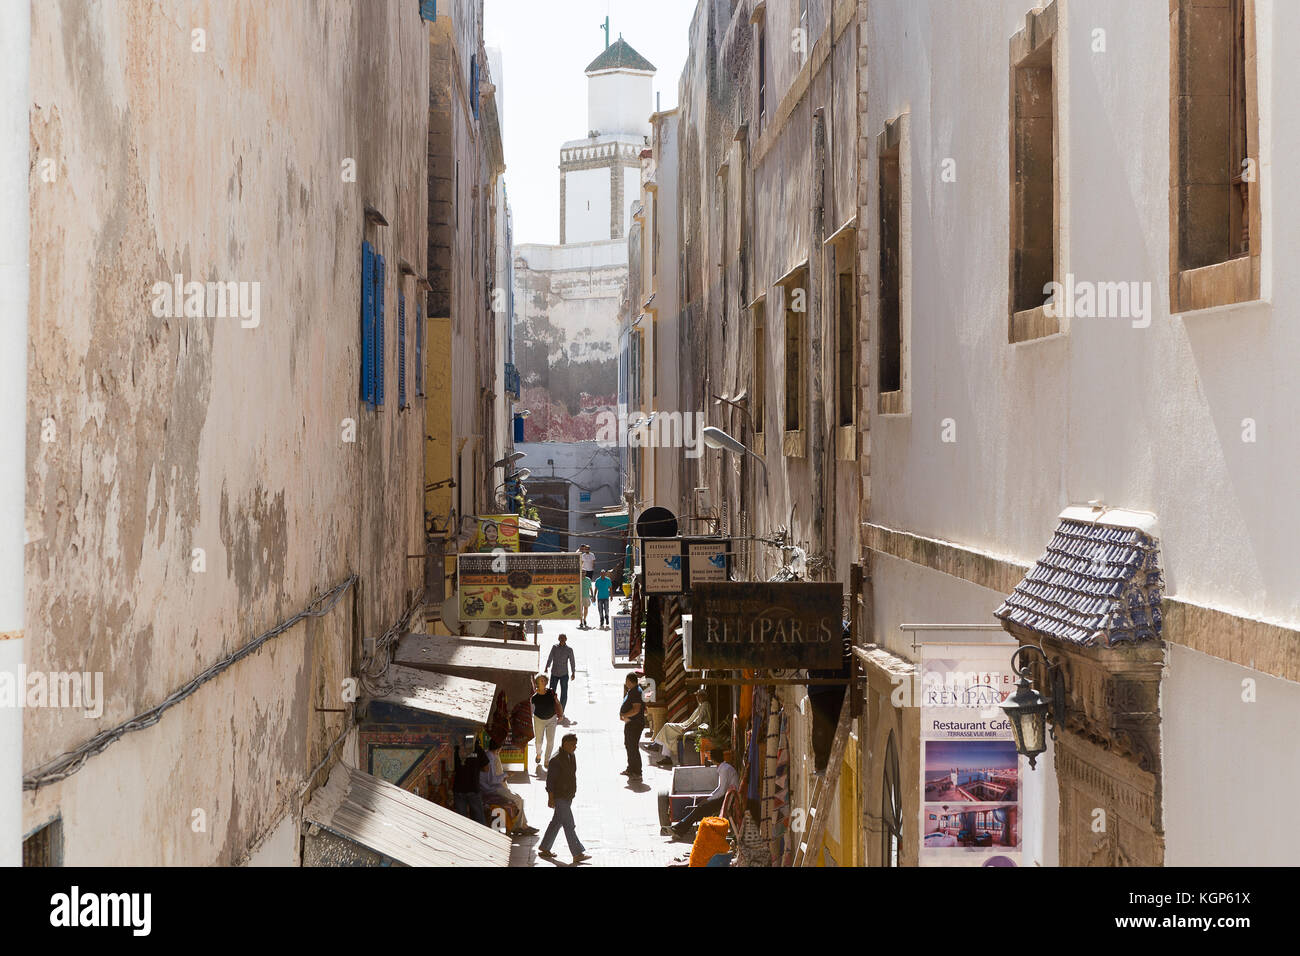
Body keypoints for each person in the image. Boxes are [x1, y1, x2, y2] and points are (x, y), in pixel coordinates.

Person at [538, 733, 590, 863]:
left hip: (568, 795)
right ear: (565, 743)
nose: (575, 747)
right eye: (572, 744)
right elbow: (550, 782)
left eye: (575, 745)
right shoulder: (556, 760)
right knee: (569, 824)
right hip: (560, 796)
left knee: (557, 822)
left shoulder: (571, 756)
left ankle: (545, 847)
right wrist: (551, 798)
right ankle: (577, 853)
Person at [670, 749, 740, 839]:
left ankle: (679, 828)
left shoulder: (724, 769)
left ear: (713, 759)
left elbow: (722, 790)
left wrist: (708, 800)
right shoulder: (723, 767)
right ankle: (679, 828)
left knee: (700, 809)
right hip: (726, 796)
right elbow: (719, 788)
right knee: (699, 809)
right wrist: (709, 797)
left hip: (729, 798)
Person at [480, 738, 537, 835]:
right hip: (492, 789)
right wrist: (506, 775)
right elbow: (492, 780)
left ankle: (523, 824)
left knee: (518, 798)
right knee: (518, 800)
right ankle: (518, 826)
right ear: (499, 748)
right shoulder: (490, 758)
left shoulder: (489, 755)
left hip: (491, 787)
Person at [653, 688, 711, 768]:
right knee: (668, 732)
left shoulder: (705, 705)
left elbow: (698, 720)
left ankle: (657, 745)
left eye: (699, 696)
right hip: (687, 725)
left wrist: (687, 728)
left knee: (667, 726)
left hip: (693, 728)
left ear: (703, 696)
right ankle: (665, 755)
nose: (697, 698)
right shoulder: (701, 705)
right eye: (697, 696)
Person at [452, 735, 488, 825]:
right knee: (479, 820)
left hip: (459, 789)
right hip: (473, 789)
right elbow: (486, 769)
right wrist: (475, 767)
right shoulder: (477, 749)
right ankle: (481, 837)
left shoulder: (455, 749)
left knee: (461, 821)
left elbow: (451, 768)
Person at [530, 674, 563, 772]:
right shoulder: (534, 697)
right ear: (537, 684)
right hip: (539, 719)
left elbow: (557, 703)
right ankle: (539, 753)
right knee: (538, 741)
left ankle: (547, 760)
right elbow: (531, 710)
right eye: (541, 681)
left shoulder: (551, 692)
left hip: (551, 719)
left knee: (550, 741)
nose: (543, 682)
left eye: (544, 680)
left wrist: (561, 714)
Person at [619, 673, 646, 781]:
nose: (626, 683)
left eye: (627, 681)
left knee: (633, 747)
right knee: (628, 745)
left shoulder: (636, 692)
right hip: (630, 723)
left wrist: (625, 715)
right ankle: (630, 768)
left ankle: (637, 771)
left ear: (630, 681)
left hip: (635, 724)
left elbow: (636, 709)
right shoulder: (633, 690)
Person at [545, 633, 576, 712]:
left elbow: (572, 661)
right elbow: (550, 657)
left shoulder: (569, 649)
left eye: (563, 638)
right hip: (554, 673)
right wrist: (546, 667)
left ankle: (561, 710)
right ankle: (551, 709)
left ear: (566, 639)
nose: (562, 639)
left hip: (564, 674)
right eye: (560, 638)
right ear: (558, 639)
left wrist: (573, 672)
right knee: (551, 692)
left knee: (564, 694)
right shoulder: (554, 647)